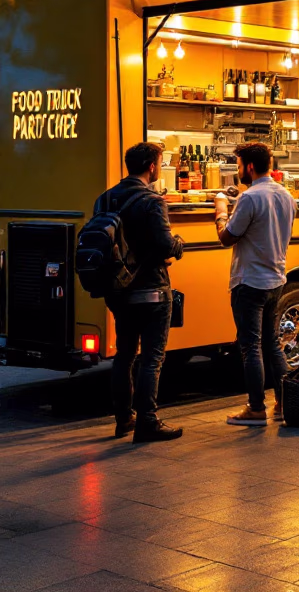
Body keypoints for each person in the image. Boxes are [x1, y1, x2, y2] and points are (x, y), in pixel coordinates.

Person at [100, 142, 185, 443]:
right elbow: (164, 245)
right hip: (151, 290)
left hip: (119, 289)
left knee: (124, 356)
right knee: (152, 359)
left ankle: (124, 419)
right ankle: (147, 421)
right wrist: (178, 243)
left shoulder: (106, 198)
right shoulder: (153, 201)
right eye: (160, 163)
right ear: (152, 166)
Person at [213, 142, 298, 426]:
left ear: (249, 167)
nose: (238, 172)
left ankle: (256, 408)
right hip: (276, 280)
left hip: (249, 281)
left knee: (251, 347)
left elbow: (227, 237)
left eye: (238, 166)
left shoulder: (249, 198)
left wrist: (221, 209)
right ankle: (284, 403)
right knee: (272, 344)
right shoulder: (286, 196)